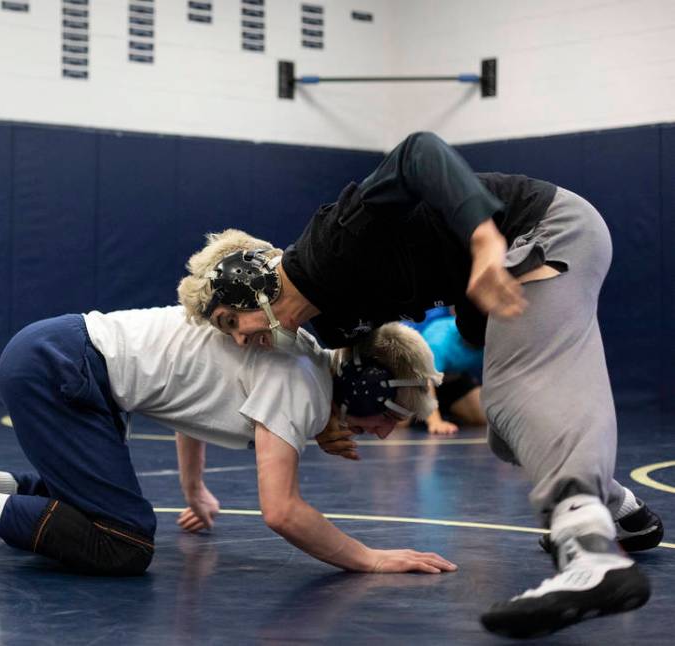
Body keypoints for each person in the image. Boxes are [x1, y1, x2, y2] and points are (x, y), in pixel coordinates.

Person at [177, 132, 663, 638]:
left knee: (521, 389)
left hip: (541, 229)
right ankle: (620, 509)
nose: (240, 340)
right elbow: (374, 359)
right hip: (512, 262)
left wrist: (481, 236)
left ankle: (591, 554)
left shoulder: (328, 247)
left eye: (232, 322)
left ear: (253, 286)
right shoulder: (332, 324)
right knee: (504, 429)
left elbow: (417, 153)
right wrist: (329, 423)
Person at [0, 306, 457, 578]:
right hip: (64, 369)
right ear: (372, 389)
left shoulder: (298, 364)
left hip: (61, 355)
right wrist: (372, 558)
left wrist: (195, 486)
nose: (383, 433)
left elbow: (192, 405)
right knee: (123, 542)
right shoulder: (299, 382)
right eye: (392, 418)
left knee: (80, 509)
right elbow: (282, 511)